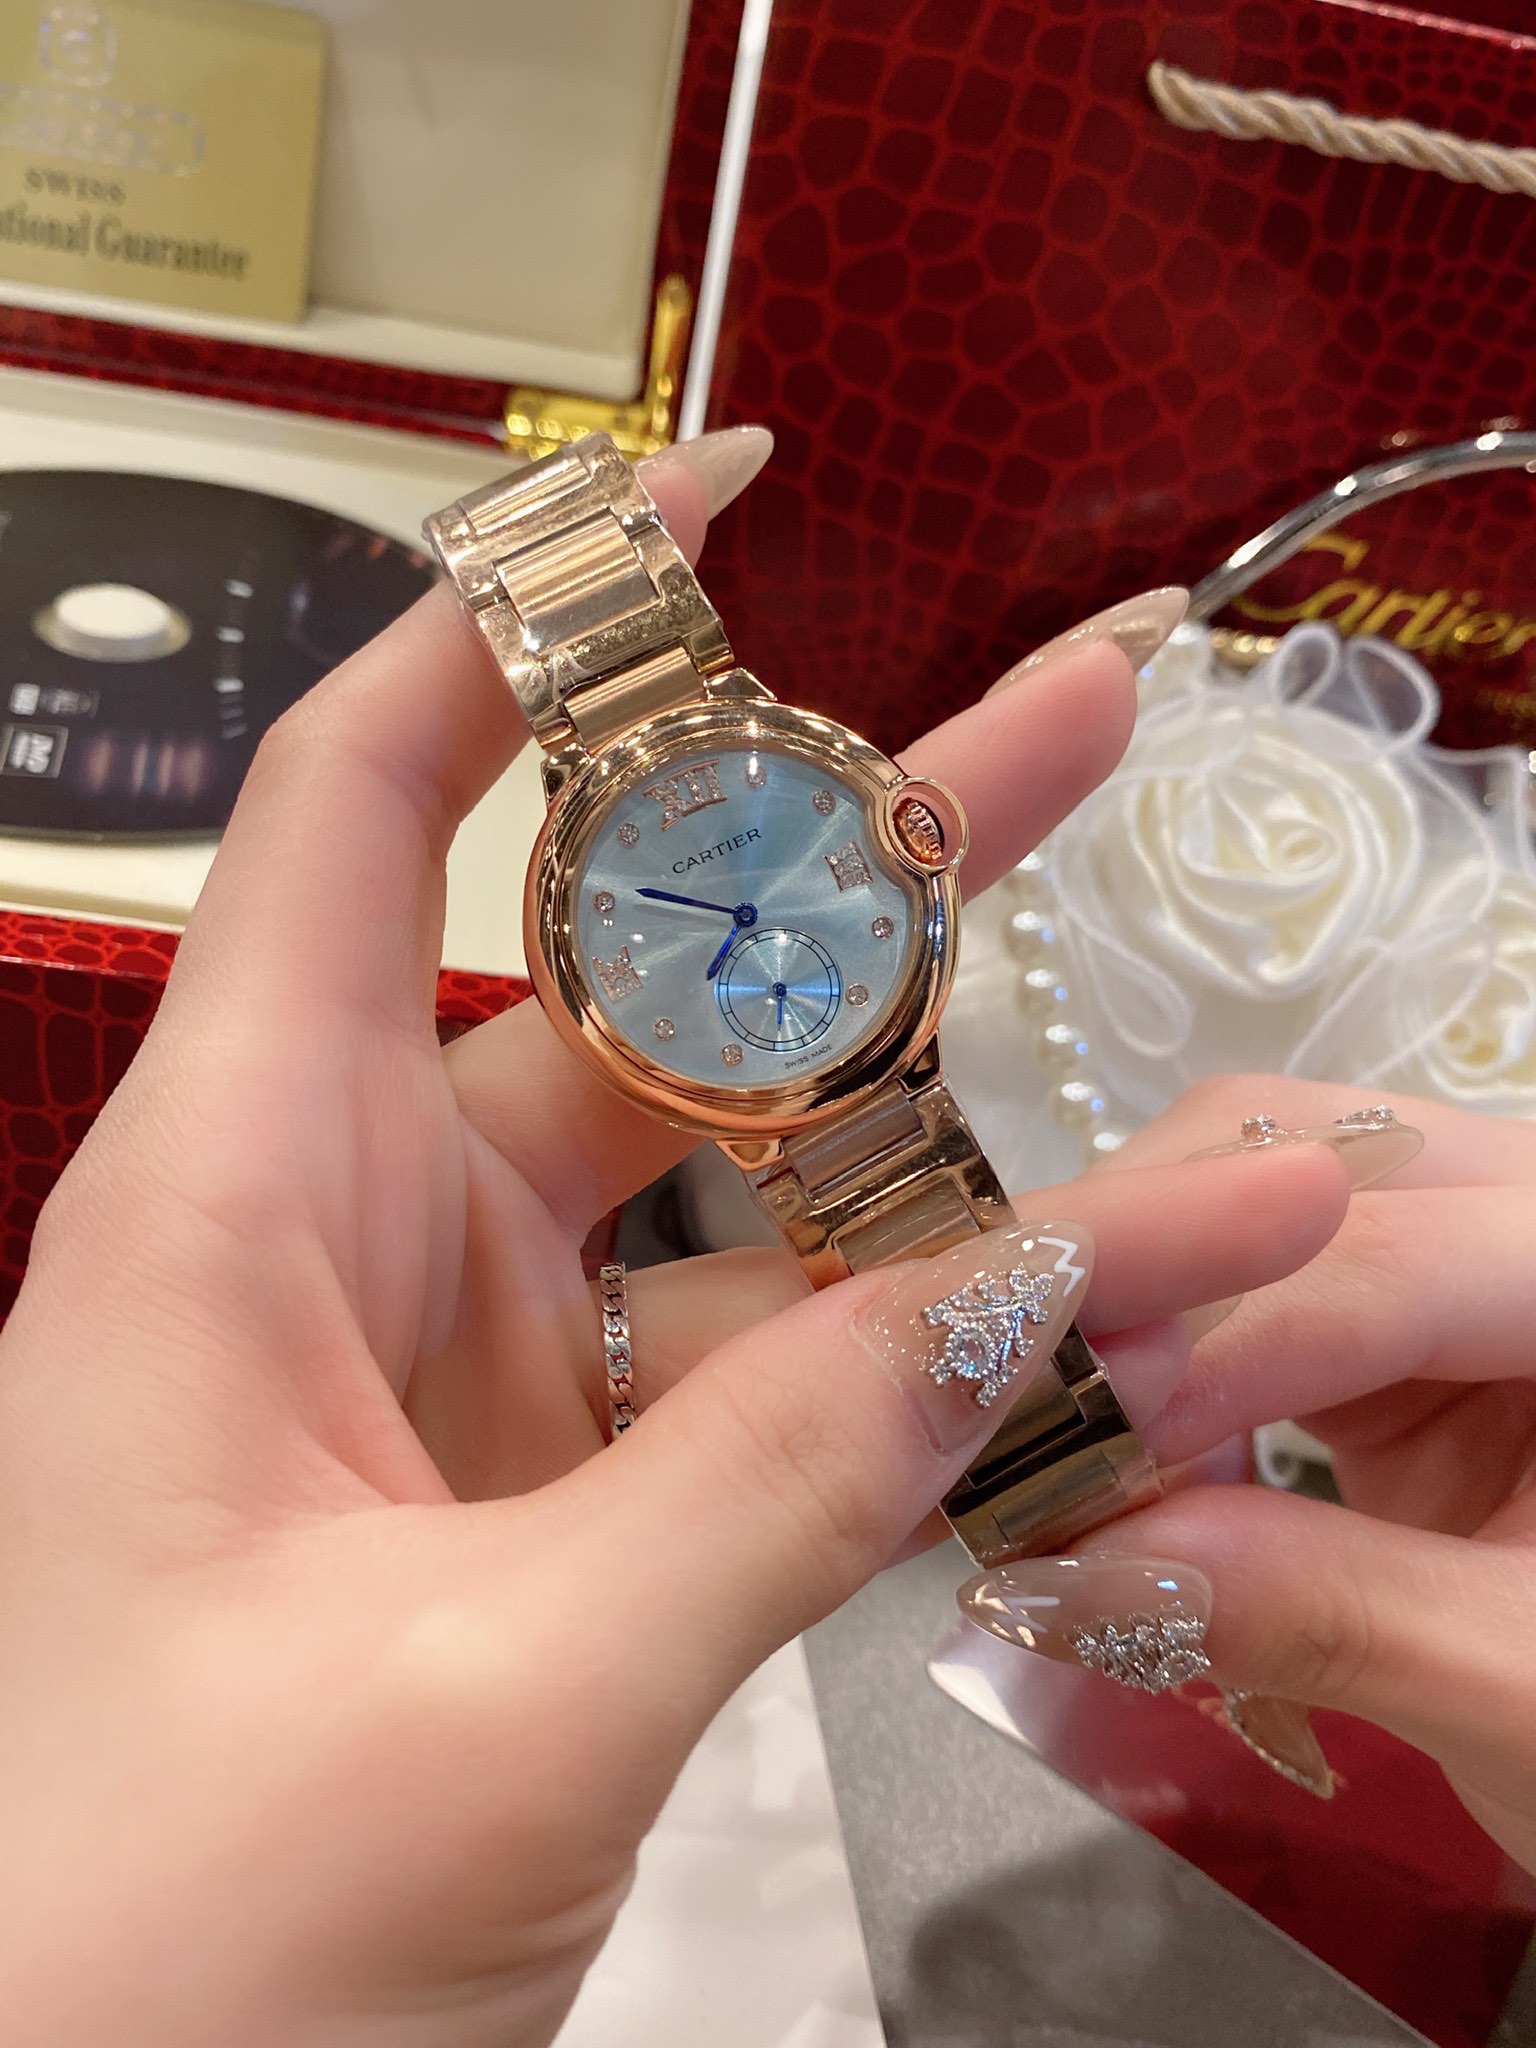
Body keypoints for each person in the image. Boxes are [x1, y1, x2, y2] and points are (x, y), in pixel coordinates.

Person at [0, 430, 1527, 2046]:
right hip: (799, 1091)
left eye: (762, 890)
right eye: (677, 917)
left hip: (861, 1063)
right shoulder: (631, 941)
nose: (742, 916)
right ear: (578, 963)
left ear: (896, 840)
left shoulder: (812, 852)